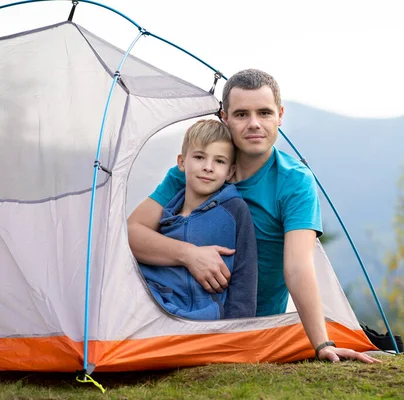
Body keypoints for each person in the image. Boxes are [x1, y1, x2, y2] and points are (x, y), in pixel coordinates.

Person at [128, 69, 379, 363]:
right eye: (241, 114)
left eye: (264, 112)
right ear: (225, 117)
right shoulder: (198, 170)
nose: (254, 124)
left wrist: (322, 344)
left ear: (280, 115)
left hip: (249, 330)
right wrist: (189, 255)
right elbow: (132, 232)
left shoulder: (294, 181)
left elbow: (298, 267)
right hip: (173, 315)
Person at [138, 119, 257, 320]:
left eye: (219, 161)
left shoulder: (234, 209)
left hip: (204, 324)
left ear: (230, 171)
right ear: (182, 162)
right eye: (200, 157)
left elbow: (245, 277)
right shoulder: (165, 214)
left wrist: (237, 334)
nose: (208, 167)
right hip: (153, 316)